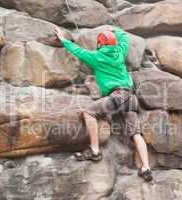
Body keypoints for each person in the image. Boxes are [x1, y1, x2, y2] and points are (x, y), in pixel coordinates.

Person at [55, 26, 153, 182]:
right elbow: (124, 38)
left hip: (117, 96)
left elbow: (78, 51)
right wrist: (114, 29)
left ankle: (94, 150)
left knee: (88, 113)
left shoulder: (97, 57)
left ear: (100, 43)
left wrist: (63, 39)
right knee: (135, 133)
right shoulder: (120, 51)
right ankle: (146, 167)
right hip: (130, 97)